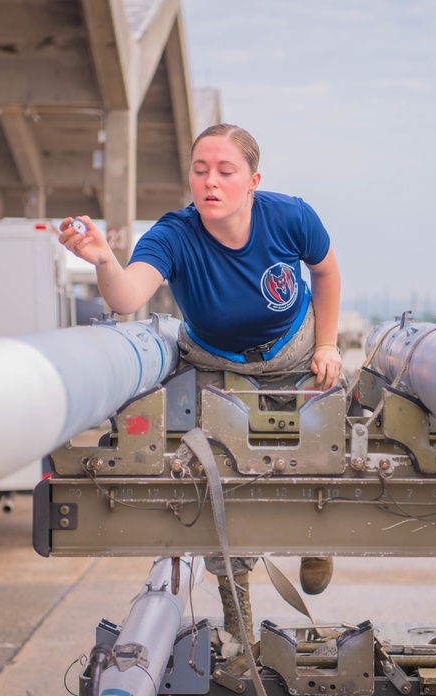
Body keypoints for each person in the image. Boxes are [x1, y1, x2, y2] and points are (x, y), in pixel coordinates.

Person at [59, 123, 340, 645]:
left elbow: (325, 272)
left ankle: (317, 541)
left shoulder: (290, 216)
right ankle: (238, 606)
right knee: (218, 476)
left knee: (319, 449)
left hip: (292, 350)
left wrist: (327, 344)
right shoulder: (174, 234)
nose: (210, 182)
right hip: (215, 359)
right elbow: (127, 296)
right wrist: (103, 258)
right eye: (200, 170)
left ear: (253, 180)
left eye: (225, 171)